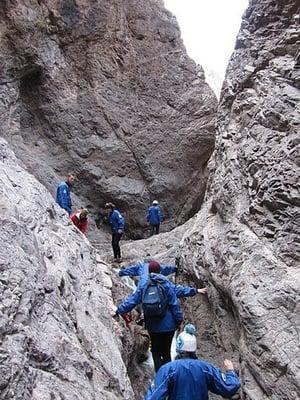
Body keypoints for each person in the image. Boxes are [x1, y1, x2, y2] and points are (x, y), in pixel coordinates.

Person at [115, 264, 183, 372]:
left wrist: (120, 310)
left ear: (148, 271)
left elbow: (132, 300)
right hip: (169, 326)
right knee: (166, 352)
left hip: (153, 325)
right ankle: (169, 378)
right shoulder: (166, 283)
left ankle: (160, 379)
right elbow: (174, 304)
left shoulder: (144, 284)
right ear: (160, 270)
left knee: (155, 352)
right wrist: (179, 321)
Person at [144, 323, 240, 400]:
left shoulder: (167, 369)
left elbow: (154, 396)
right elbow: (229, 388)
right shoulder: (206, 368)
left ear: (178, 346)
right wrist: (230, 371)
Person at [119, 260, 208, 298]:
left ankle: (142, 316)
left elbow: (133, 299)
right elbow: (177, 290)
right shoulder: (163, 283)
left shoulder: (142, 278)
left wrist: (121, 273)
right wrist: (196, 290)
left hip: (148, 309)